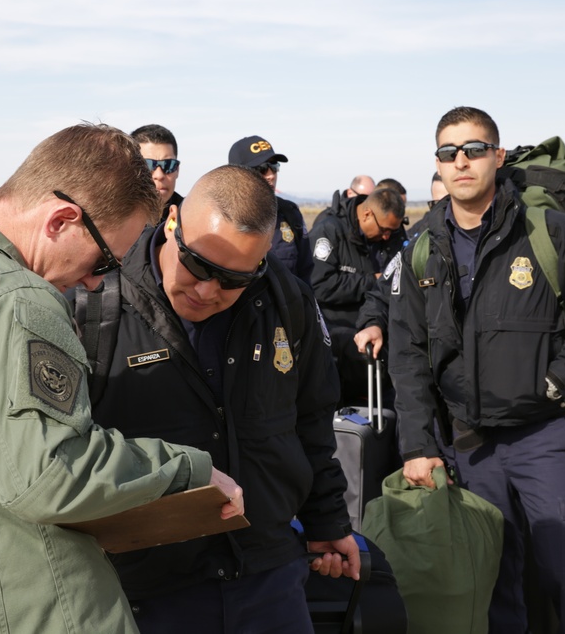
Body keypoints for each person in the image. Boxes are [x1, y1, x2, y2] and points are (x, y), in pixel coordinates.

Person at [0, 124, 244, 634]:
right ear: (62, 219)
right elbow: (50, 475)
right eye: (105, 259)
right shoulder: (16, 300)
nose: (98, 281)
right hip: (28, 608)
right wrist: (188, 470)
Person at [73, 164, 358, 634]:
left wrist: (327, 522)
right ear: (171, 223)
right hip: (142, 586)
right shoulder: (93, 303)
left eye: (233, 280)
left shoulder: (288, 303)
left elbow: (310, 420)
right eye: (198, 265)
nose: (208, 291)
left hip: (267, 573)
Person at [388, 106, 565, 633]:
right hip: (471, 444)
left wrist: (557, 379)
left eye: (474, 149)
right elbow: (407, 352)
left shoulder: (550, 231)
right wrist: (417, 444)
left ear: (498, 157)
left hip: (544, 435)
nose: (461, 162)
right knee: (494, 587)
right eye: (448, 152)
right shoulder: (424, 246)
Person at [311, 187, 405, 404]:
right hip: (338, 347)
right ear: (366, 214)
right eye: (384, 230)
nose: (387, 236)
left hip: (380, 346)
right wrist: (372, 280)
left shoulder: (393, 236)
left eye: (392, 231)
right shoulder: (329, 232)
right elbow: (319, 284)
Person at [228, 135, 313, 284]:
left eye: (274, 167)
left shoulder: (290, 214)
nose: (271, 175)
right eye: (262, 169)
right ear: (237, 175)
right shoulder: (222, 218)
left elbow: (306, 275)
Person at [132, 123, 183, 222]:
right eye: (147, 165)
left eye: (168, 165)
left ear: (177, 170)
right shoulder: (107, 218)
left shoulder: (191, 219)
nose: (159, 175)